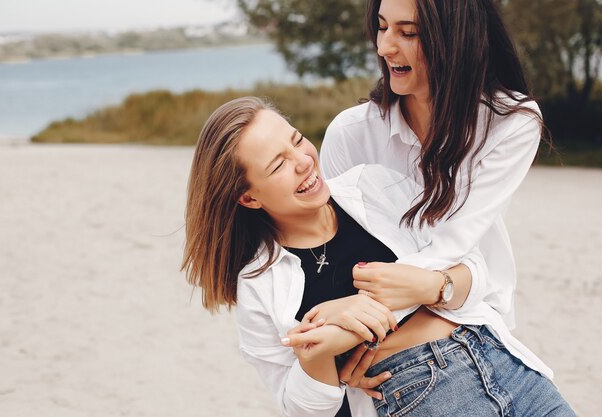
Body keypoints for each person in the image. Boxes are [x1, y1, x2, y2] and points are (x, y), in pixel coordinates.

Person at [182, 96, 575, 417]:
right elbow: (304, 408)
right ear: (248, 197)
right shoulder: (259, 284)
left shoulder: (372, 185)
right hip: (420, 395)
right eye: (279, 164)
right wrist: (318, 350)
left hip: (502, 361)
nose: (303, 160)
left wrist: (429, 286)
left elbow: (475, 271)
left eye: (297, 140)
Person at [320, 0, 548, 345]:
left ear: (456, 38)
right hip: (371, 335)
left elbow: (452, 244)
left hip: (473, 324)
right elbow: (327, 251)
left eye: (407, 32)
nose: (384, 47)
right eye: (382, 27)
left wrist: (431, 291)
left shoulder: (510, 124)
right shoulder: (351, 133)